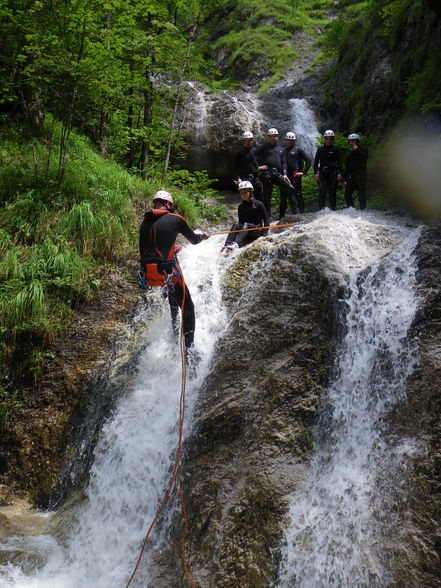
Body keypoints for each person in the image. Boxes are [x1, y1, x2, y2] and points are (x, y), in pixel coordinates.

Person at [139, 190, 209, 352]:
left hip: (148, 274)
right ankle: (189, 351)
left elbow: (146, 250)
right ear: (168, 204)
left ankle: (174, 331)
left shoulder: (145, 222)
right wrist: (203, 236)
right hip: (167, 271)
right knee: (188, 307)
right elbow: (193, 240)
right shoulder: (176, 219)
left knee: (173, 297)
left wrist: (171, 251)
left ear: (155, 202)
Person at [255, 127, 297, 218]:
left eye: (275, 136)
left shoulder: (281, 149)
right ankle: (268, 217)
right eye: (271, 136)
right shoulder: (263, 147)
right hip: (267, 174)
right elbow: (251, 155)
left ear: (278, 137)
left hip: (277, 174)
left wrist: (285, 174)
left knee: (290, 188)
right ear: (268, 137)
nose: (273, 138)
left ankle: (293, 214)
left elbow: (284, 163)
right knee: (267, 197)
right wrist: (258, 167)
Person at [220, 181, 270, 254]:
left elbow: (266, 220)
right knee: (236, 225)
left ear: (250, 192)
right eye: (241, 193)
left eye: (245, 192)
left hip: (257, 230)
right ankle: (226, 246)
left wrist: (263, 235)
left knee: (246, 224)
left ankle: (235, 244)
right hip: (247, 231)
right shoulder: (241, 207)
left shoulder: (259, 204)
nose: (243, 195)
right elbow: (241, 223)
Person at [313, 129, 342, 210]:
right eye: (327, 139)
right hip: (322, 173)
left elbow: (340, 162)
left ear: (333, 139)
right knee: (323, 190)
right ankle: (321, 210)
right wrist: (315, 173)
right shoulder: (320, 150)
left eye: (330, 139)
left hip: (333, 173)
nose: (329, 140)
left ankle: (333, 209)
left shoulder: (336, 150)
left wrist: (339, 173)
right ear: (325, 139)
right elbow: (315, 162)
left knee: (332, 191)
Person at [284, 131, 312, 214]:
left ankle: (302, 213)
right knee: (288, 195)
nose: (289, 142)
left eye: (291, 140)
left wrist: (303, 172)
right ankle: (293, 214)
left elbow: (309, 160)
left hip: (296, 176)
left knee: (298, 194)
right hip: (287, 177)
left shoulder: (298, 150)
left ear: (294, 141)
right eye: (288, 140)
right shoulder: (283, 151)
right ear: (285, 140)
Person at [234, 131, 264, 198]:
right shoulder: (240, 153)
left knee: (259, 196)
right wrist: (238, 178)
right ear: (244, 140)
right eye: (246, 140)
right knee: (247, 197)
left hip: (257, 177)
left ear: (252, 140)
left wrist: (261, 178)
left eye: (250, 140)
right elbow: (236, 167)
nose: (248, 142)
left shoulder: (256, 150)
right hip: (245, 177)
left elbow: (262, 164)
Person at [344, 133, 368, 210]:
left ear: (357, 142)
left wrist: (357, 149)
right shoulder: (349, 154)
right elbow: (347, 168)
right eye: (350, 141)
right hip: (351, 177)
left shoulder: (363, 150)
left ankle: (363, 210)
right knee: (347, 194)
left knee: (361, 194)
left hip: (360, 176)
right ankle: (352, 210)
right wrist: (345, 179)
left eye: (353, 141)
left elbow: (364, 157)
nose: (351, 143)